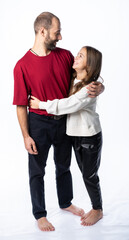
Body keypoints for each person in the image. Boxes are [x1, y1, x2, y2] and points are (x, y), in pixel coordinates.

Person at [13, 11, 104, 231]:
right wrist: (26, 136)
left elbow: (86, 79)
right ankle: (40, 214)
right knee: (37, 171)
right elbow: (21, 105)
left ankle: (65, 202)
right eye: (57, 32)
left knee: (64, 166)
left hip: (65, 122)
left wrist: (101, 86)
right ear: (42, 31)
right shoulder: (22, 65)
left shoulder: (65, 57)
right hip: (38, 125)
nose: (60, 37)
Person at [29, 46, 104, 226]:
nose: (75, 57)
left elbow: (68, 104)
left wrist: (40, 104)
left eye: (81, 56)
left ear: (90, 64)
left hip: (88, 137)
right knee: (77, 171)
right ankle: (47, 211)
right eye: (77, 54)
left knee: (89, 175)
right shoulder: (74, 78)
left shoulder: (90, 87)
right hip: (74, 135)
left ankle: (98, 209)